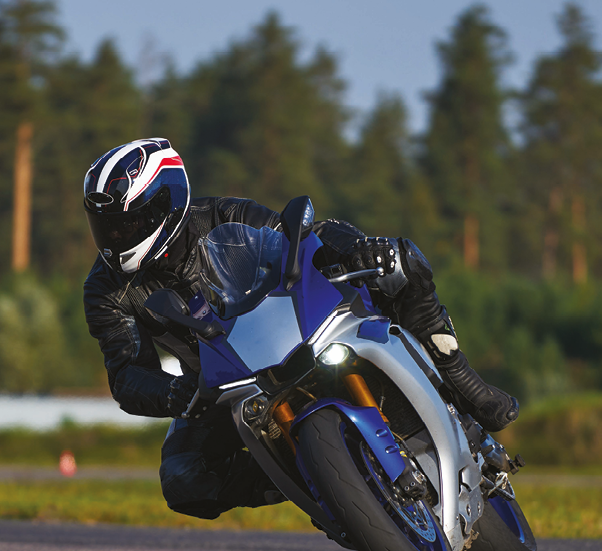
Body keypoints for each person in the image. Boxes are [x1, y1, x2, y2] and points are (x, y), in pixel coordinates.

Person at [84, 138, 518, 521]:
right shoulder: (106, 290)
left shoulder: (221, 215)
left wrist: (354, 249)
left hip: (299, 326)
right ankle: (319, 484)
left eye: (132, 222)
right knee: (183, 480)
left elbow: (301, 236)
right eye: (109, 226)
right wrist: (177, 394)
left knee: (399, 260)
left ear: (168, 203)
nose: (118, 235)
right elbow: (125, 373)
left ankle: (461, 378)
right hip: (222, 382)